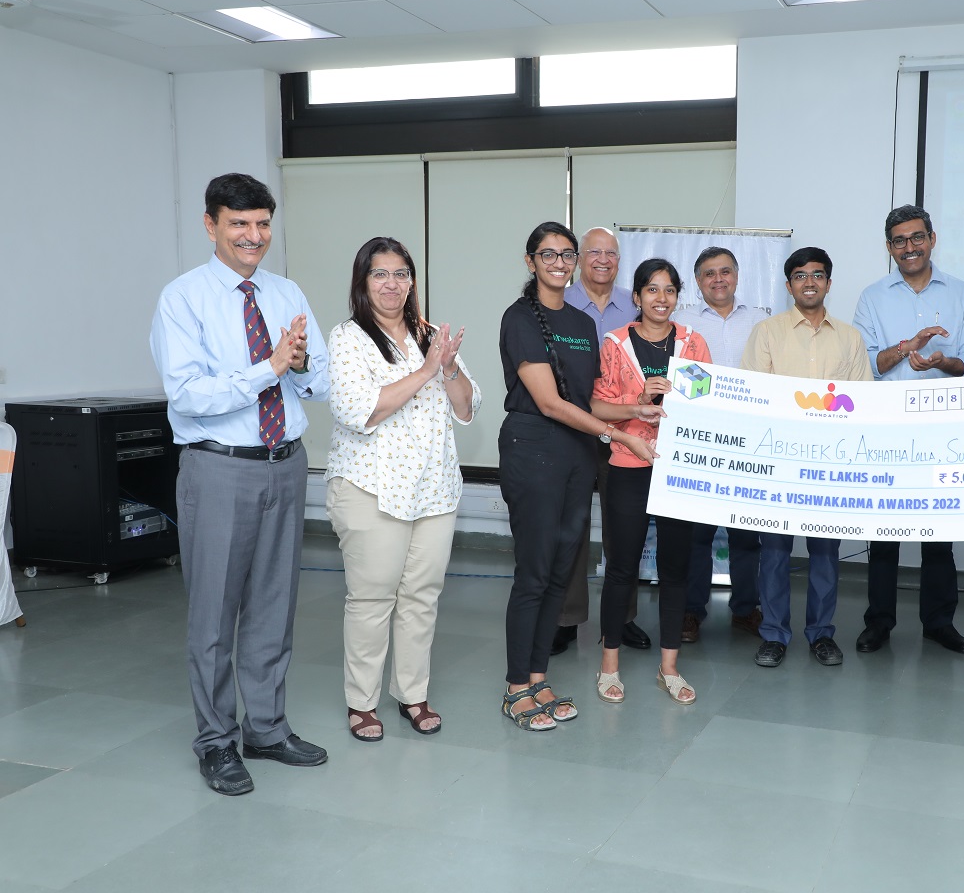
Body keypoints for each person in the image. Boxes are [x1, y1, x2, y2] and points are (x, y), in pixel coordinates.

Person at [150, 172, 331, 795]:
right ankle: (216, 742)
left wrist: (298, 366)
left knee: (274, 606)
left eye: (262, 224)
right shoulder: (183, 298)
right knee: (214, 613)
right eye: (239, 224)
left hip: (286, 461)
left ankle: (267, 729)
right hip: (219, 466)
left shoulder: (286, 292)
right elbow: (187, 394)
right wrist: (269, 367)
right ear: (211, 225)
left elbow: (318, 381)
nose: (254, 236)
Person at [498, 222, 660, 731]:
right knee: (533, 572)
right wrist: (619, 437)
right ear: (530, 261)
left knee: (561, 568)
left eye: (566, 254)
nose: (559, 262)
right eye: (548, 254)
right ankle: (516, 688)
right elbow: (549, 402)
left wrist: (636, 407)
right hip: (533, 448)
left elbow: (589, 399)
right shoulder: (519, 317)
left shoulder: (582, 323)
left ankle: (538, 677)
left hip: (576, 453)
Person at [325, 237, 481, 742]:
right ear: (363, 282)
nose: (392, 284)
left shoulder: (430, 334)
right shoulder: (348, 337)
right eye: (380, 274)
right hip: (370, 487)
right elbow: (359, 409)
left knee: (422, 597)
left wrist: (449, 367)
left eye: (401, 274)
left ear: (412, 281)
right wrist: (427, 370)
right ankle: (361, 703)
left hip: (433, 489)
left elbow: (466, 407)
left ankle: (412, 693)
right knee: (372, 599)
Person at [852, 204, 964, 656]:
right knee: (883, 534)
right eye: (899, 241)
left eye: (917, 237)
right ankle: (879, 622)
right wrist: (910, 346)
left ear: (932, 239)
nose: (909, 247)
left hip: (942, 426)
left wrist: (943, 362)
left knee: (938, 533)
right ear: (889, 247)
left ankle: (939, 623)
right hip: (887, 425)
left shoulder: (961, 292)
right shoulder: (872, 296)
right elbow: (867, 362)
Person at [741, 247, 871, 668]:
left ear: (829, 283)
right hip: (778, 463)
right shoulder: (767, 332)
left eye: (817, 275)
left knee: (826, 554)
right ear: (788, 285)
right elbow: (753, 398)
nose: (809, 282)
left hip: (830, 467)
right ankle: (774, 635)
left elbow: (863, 404)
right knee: (774, 553)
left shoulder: (850, 337)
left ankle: (821, 634)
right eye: (800, 275)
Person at [591, 258, 710, 704]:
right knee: (621, 568)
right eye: (652, 290)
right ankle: (609, 666)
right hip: (628, 464)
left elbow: (708, 404)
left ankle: (669, 668)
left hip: (678, 469)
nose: (662, 298)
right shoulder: (615, 343)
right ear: (637, 296)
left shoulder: (693, 343)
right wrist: (638, 400)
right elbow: (597, 407)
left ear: (678, 296)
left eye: (670, 290)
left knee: (675, 569)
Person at [554, 227, 650, 654]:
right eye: (593, 251)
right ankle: (566, 618)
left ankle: (622, 617)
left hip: (625, 429)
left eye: (610, 252)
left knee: (623, 528)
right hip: (572, 426)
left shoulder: (635, 304)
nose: (602, 259)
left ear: (619, 260)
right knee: (571, 526)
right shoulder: (559, 301)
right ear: (579, 258)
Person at [670, 247, 768, 643]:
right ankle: (691, 611)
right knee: (697, 535)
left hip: (749, 443)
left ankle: (745, 609)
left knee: (746, 535)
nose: (718, 279)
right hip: (701, 441)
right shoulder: (681, 323)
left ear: (737, 276)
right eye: (709, 273)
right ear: (698, 282)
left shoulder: (761, 320)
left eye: (725, 271)